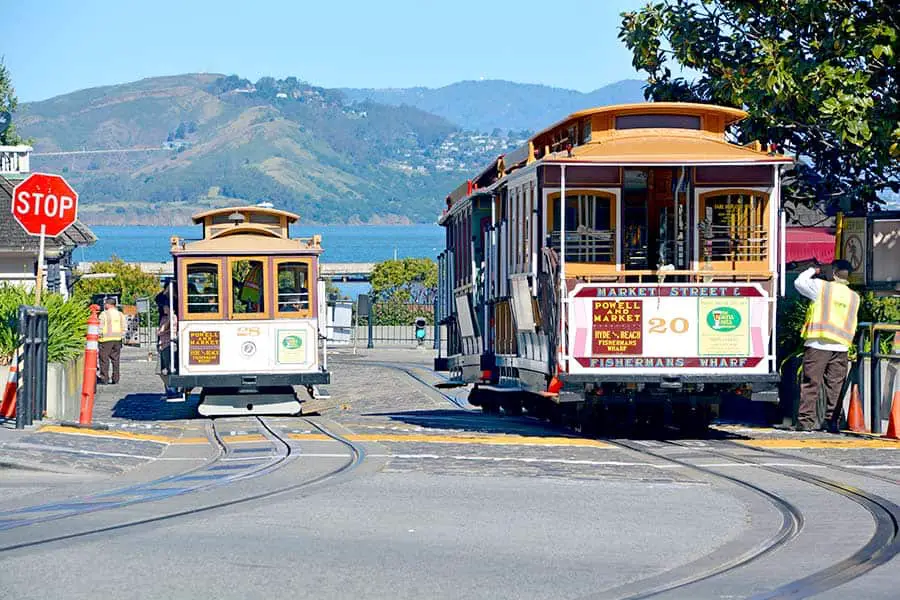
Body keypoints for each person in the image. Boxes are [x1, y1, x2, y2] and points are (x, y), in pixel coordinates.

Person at [793, 259, 860, 432]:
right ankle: (833, 423)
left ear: (833, 272)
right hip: (841, 346)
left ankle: (805, 423)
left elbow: (799, 283)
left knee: (811, 384)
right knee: (835, 386)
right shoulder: (854, 297)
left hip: (818, 343)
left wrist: (812, 270)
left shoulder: (822, 288)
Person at [98, 297, 127, 385]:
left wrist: (98, 335)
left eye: (105, 304)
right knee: (115, 360)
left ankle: (104, 378)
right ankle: (116, 378)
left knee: (104, 360)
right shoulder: (120, 314)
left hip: (105, 340)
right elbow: (124, 327)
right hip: (117, 339)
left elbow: (100, 327)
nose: (104, 305)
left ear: (108, 304)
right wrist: (122, 336)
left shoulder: (104, 314)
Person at [158, 303, 179, 399]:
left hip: (169, 344)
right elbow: (160, 331)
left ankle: (172, 390)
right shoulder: (164, 318)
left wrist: (169, 319)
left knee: (171, 367)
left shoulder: (173, 318)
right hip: (163, 344)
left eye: (165, 307)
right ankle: (168, 390)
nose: (163, 308)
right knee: (165, 368)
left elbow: (163, 330)